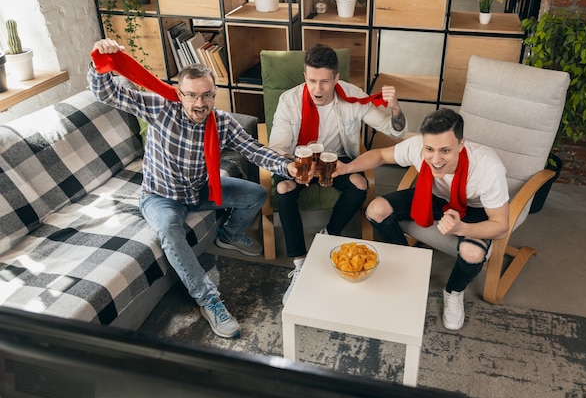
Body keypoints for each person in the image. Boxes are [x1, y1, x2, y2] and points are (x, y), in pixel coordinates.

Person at [88, 38, 298, 338]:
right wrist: (100, 60)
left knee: (256, 194)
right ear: (180, 93)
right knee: (171, 233)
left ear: (214, 94)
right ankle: (209, 300)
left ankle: (229, 235)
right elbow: (107, 93)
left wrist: (286, 166)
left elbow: (253, 150)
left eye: (207, 95)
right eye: (192, 96)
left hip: (200, 190)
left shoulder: (222, 122)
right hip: (160, 197)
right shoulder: (159, 108)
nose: (200, 104)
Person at [332, 108, 509, 330]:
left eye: (445, 150)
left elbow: (501, 226)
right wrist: (347, 168)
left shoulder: (488, 168)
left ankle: (453, 291)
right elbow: (379, 155)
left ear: (461, 144)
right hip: (432, 196)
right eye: (430, 149)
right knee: (376, 209)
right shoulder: (417, 146)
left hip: (474, 208)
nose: (435, 159)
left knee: (472, 253)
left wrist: (461, 227)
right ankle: (408, 263)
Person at [269, 44, 408, 305]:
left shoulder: (353, 97)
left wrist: (396, 109)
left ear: (336, 78)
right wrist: (295, 163)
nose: (317, 89)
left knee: (359, 183)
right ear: (305, 76)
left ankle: (329, 234)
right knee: (283, 190)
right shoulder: (289, 100)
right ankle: (299, 263)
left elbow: (395, 130)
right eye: (311, 81)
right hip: (297, 158)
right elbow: (277, 147)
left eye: (324, 81)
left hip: (336, 159)